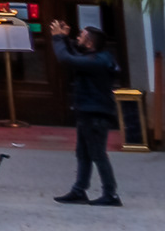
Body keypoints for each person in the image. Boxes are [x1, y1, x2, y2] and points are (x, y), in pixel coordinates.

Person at [54, 26, 126, 206]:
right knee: (83, 153)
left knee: (97, 154)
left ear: (91, 42)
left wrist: (57, 39)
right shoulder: (96, 58)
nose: (78, 37)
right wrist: (64, 38)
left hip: (95, 114)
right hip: (88, 112)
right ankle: (79, 190)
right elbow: (74, 55)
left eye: (81, 35)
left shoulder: (97, 62)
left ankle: (110, 194)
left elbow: (66, 59)